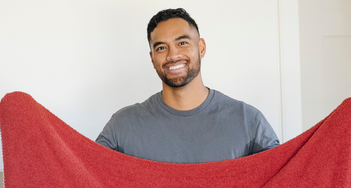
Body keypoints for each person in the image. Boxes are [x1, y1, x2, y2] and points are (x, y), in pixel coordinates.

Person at [96, 8, 279, 163]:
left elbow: (284, 183)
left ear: (201, 48)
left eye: (182, 43)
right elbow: (85, 177)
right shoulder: (122, 125)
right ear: (152, 58)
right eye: (161, 48)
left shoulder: (249, 121)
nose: (172, 55)